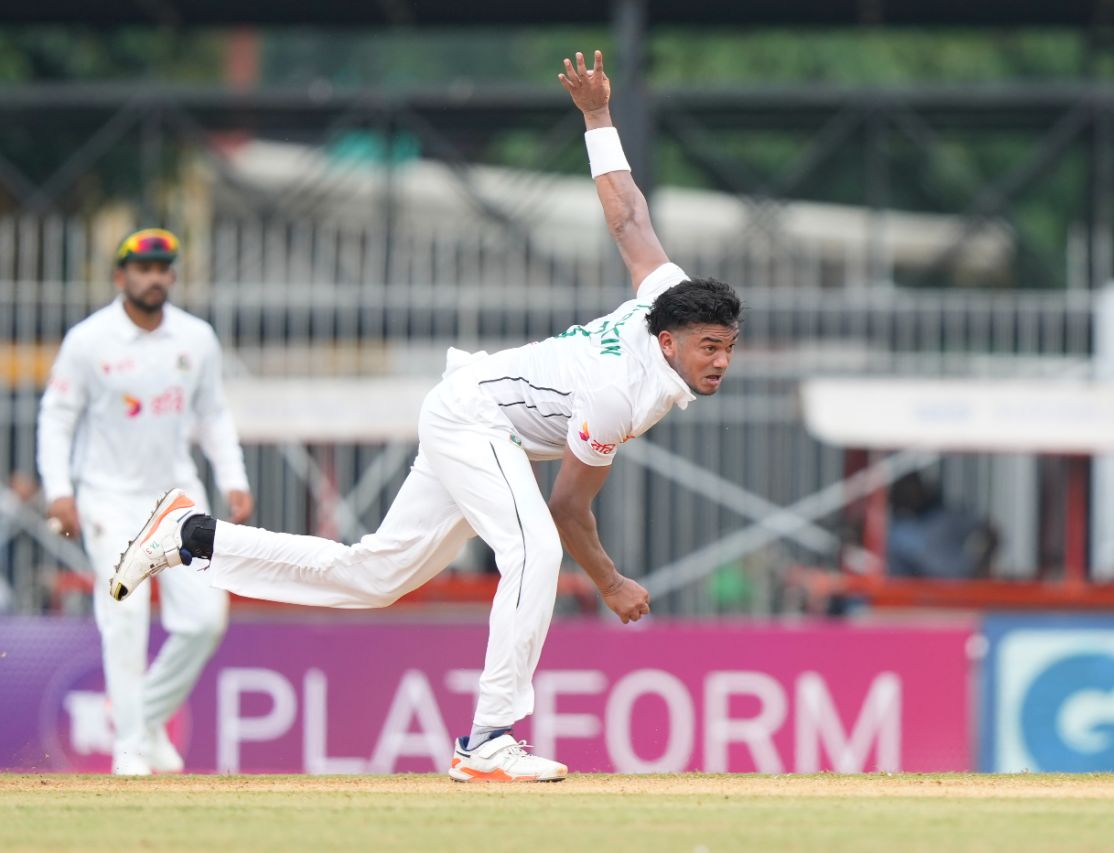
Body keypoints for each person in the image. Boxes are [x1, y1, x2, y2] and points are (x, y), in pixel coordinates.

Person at [110, 50, 742, 783]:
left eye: (728, 347)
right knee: (535, 549)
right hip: (476, 419)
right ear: (667, 342)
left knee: (374, 575)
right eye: (708, 347)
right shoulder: (617, 396)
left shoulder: (666, 298)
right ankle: (490, 739)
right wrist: (610, 582)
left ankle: (192, 536)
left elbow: (630, 216)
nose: (720, 361)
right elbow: (569, 508)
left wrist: (599, 114)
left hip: (476, 417)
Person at [37, 228, 253, 775]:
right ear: (121, 275)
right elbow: (57, 417)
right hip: (107, 497)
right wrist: (59, 490)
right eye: (143, 268)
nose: (155, 277)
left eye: (163, 268)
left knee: (205, 619)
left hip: (175, 498)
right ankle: (130, 749)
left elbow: (213, 414)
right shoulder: (89, 340)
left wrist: (233, 477)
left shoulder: (196, 338)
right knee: (125, 613)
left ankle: (144, 722)